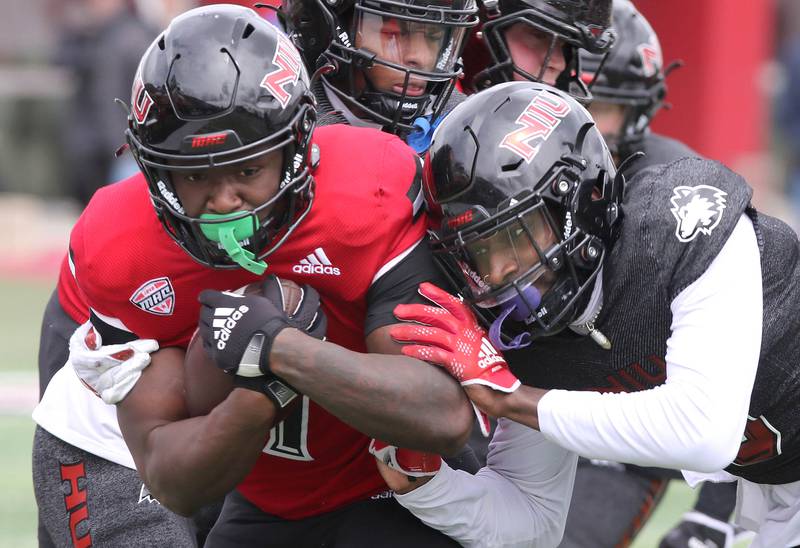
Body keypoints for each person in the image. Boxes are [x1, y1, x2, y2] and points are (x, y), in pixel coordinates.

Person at [33, 5, 475, 547]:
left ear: (298, 147)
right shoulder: (121, 243)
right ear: (154, 169)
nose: (224, 201)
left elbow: (443, 415)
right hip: (251, 494)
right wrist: (259, 388)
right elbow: (172, 481)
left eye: (248, 169)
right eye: (195, 174)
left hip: (390, 485)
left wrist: (286, 350)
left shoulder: (368, 190)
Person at [382, 81, 800, 548]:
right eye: (479, 253)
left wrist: (512, 399)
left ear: (577, 201)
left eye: (515, 237)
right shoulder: (533, 340)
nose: (498, 271)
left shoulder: (676, 222)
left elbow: (704, 431)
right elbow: (533, 521)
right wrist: (430, 487)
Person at [279, 0, 479, 152]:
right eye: (392, 34)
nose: (420, 58)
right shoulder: (278, 132)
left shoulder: (466, 126)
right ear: (326, 29)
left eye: (434, 36)